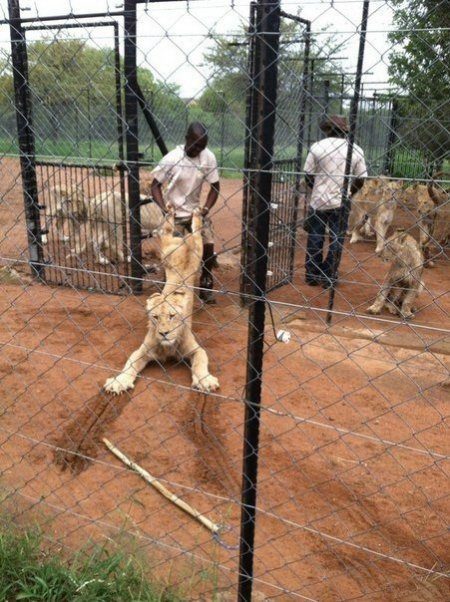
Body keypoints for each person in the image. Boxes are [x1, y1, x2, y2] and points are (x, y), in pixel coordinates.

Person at [151, 122, 220, 303]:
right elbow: (155, 186)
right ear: (186, 138)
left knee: (208, 247)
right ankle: (169, 284)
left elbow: (215, 187)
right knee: (175, 253)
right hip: (174, 213)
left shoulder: (208, 158)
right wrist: (164, 208)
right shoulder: (172, 158)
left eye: (202, 146)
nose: (198, 149)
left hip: (196, 212)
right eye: (195, 144)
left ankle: (205, 282)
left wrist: (205, 210)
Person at [303, 115, 367, 287]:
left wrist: (317, 188)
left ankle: (312, 274)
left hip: (318, 200)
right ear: (344, 131)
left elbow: (308, 175)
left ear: (328, 130)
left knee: (316, 235)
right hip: (341, 199)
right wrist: (350, 192)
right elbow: (361, 179)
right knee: (336, 238)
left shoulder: (317, 147)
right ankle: (328, 275)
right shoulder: (355, 149)